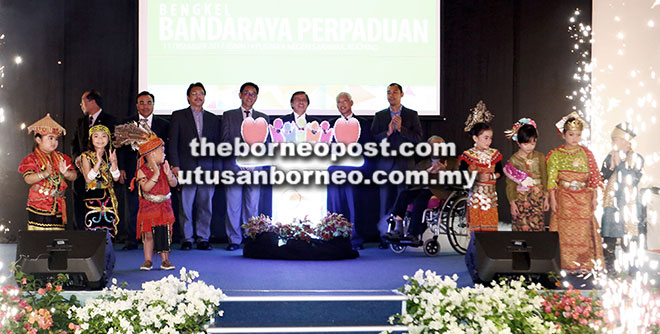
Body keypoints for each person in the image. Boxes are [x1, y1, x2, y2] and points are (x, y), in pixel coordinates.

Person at [114, 122, 178, 270]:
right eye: (162, 151)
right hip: (149, 206)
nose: (164, 154)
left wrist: (169, 175)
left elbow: (174, 184)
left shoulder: (165, 167)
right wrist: (155, 174)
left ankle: (165, 260)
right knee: (148, 235)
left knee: (164, 234)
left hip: (164, 206)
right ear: (151, 154)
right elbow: (146, 188)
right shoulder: (142, 171)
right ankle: (148, 260)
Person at [547, 112, 604, 272]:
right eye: (571, 134)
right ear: (563, 134)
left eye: (578, 135)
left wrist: (594, 198)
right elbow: (552, 179)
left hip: (584, 198)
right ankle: (565, 264)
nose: (575, 138)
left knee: (583, 231)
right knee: (564, 232)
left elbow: (593, 178)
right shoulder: (555, 154)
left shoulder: (586, 153)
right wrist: (552, 198)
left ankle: (584, 264)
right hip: (564, 197)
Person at [168, 82, 221, 251]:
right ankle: (187, 238)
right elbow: (173, 143)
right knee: (186, 205)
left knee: (206, 205)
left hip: (207, 168)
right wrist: (175, 165)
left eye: (201, 93)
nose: (198, 96)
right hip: (186, 167)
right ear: (188, 97)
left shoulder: (213, 118)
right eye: (194, 93)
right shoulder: (178, 116)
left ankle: (203, 237)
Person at [370, 83, 423, 248]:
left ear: (401, 95)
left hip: (405, 163)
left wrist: (402, 129)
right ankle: (383, 237)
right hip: (385, 164)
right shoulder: (380, 116)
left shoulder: (411, 115)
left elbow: (419, 139)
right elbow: (372, 140)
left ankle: (399, 232)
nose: (391, 95)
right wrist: (387, 133)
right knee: (384, 201)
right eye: (388, 92)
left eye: (394, 92)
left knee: (402, 198)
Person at [118, 91, 170, 250]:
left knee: (156, 206)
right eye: (141, 102)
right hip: (133, 170)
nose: (145, 106)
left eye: (148, 102)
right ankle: (132, 239)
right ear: (136, 105)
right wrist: (120, 168)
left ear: (153, 105)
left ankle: (157, 241)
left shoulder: (164, 124)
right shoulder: (127, 123)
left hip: (156, 171)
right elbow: (119, 148)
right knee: (132, 205)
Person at [221, 82, 269, 251]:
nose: (250, 96)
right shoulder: (229, 115)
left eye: (253, 94)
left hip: (255, 168)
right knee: (233, 205)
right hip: (234, 167)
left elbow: (266, 145)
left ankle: (251, 237)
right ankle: (234, 239)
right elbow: (225, 142)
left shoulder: (264, 117)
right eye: (247, 93)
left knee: (252, 204)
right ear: (240, 95)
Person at [384, 136, 456, 244]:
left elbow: (456, 182)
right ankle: (398, 229)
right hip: (422, 188)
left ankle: (413, 234)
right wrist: (427, 172)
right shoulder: (422, 164)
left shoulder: (452, 162)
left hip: (439, 190)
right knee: (404, 194)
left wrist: (445, 171)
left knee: (421, 198)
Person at [459, 101, 502, 282]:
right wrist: (475, 176)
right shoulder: (467, 156)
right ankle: (476, 264)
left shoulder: (495, 154)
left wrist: (491, 178)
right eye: (485, 137)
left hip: (490, 198)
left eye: (490, 137)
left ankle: (490, 264)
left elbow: (500, 172)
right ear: (475, 138)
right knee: (477, 233)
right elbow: (461, 177)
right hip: (476, 199)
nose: (489, 141)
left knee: (491, 232)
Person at [327, 92, 373, 250]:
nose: (341, 104)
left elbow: (369, 147)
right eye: (338, 102)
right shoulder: (331, 124)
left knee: (353, 205)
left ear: (351, 103)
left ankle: (355, 239)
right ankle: (334, 236)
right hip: (335, 169)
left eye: (344, 101)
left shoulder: (364, 123)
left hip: (354, 169)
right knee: (334, 204)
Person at [19, 114, 77, 230]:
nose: (54, 142)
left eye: (56, 139)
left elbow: (74, 176)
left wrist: (66, 173)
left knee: (56, 240)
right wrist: (44, 174)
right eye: (50, 138)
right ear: (38, 139)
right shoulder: (31, 158)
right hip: (38, 204)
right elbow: (28, 179)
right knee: (39, 240)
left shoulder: (61, 157)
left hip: (58, 206)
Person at [600, 122, 644, 273]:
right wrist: (611, 165)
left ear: (625, 140)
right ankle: (610, 268)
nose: (612, 143)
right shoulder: (609, 157)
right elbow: (602, 177)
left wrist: (619, 163)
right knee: (609, 237)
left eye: (615, 139)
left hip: (628, 202)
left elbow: (634, 178)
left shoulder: (637, 158)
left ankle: (632, 269)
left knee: (630, 238)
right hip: (612, 201)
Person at [71, 89, 116, 230]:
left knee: (101, 202)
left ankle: (104, 235)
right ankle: (79, 232)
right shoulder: (81, 121)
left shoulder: (110, 120)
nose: (81, 105)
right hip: (81, 169)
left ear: (92, 102)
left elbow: (115, 144)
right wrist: (77, 157)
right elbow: (74, 143)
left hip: (103, 171)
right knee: (79, 200)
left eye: (83, 102)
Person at [80, 124, 119, 279]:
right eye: (96, 136)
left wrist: (114, 163)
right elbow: (88, 178)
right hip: (93, 198)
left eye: (104, 136)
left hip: (108, 197)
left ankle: (108, 264)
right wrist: (97, 162)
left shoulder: (111, 154)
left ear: (108, 138)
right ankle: (95, 265)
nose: (100, 139)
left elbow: (116, 177)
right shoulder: (86, 155)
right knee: (94, 231)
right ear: (91, 139)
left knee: (108, 231)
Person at [503, 118, 549, 231]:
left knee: (537, 226)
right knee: (521, 226)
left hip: (537, 198)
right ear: (518, 142)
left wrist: (546, 198)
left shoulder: (540, 157)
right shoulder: (514, 160)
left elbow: (545, 177)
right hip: (521, 200)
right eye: (526, 144)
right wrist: (512, 203)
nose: (530, 147)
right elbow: (510, 184)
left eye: (533, 143)